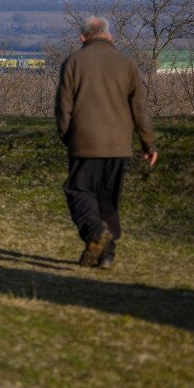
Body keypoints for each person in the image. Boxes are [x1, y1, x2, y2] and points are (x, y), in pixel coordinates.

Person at [56, 16, 157, 269]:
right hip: (119, 145)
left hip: (85, 141)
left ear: (83, 37)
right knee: (108, 199)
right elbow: (140, 109)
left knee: (78, 191)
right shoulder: (126, 63)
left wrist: (68, 137)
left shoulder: (74, 62)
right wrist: (149, 144)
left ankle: (94, 234)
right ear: (109, 35)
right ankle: (108, 254)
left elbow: (63, 108)